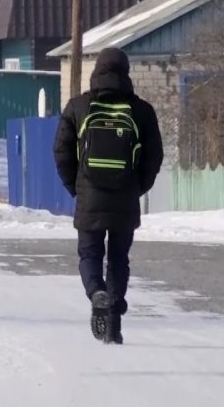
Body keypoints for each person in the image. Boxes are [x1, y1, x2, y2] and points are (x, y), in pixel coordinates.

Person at [53, 47, 163, 345]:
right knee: (118, 259)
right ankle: (113, 321)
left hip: (89, 197)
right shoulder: (141, 111)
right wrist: (137, 187)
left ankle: (96, 292)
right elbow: (154, 157)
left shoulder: (78, 107)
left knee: (89, 254)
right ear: (126, 73)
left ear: (96, 71)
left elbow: (61, 152)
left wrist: (75, 186)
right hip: (125, 198)